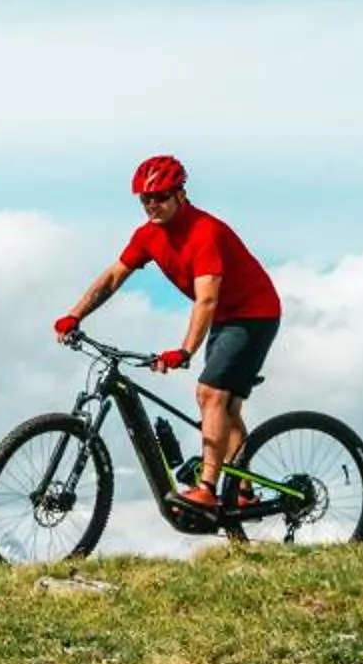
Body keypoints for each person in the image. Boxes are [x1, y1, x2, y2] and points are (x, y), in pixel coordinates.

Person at [53, 155, 282, 512]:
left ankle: (207, 488)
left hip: (254, 313)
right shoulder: (148, 236)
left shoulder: (204, 232)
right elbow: (114, 277)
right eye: (145, 199)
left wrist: (186, 350)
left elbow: (206, 299)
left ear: (180, 194)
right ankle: (243, 491)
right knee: (225, 405)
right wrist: (74, 314)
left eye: (160, 197)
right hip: (224, 317)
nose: (151, 205)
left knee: (210, 394)